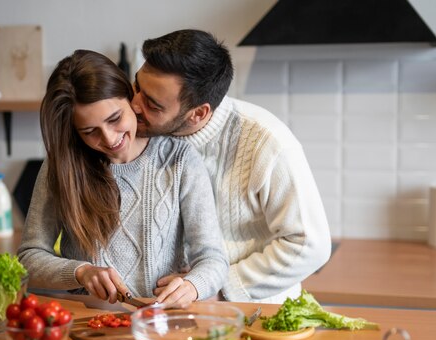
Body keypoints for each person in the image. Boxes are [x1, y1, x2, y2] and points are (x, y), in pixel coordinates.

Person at [131, 29, 331, 304]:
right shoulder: (140, 132)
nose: (134, 105)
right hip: (166, 311)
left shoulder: (266, 141)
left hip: (251, 314)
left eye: (152, 104)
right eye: (136, 86)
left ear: (198, 113)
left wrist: (216, 286)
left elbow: (309, 246)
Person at [17, 49, 228, 308]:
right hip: (90, 322)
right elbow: (29, 257)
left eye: (115, 118)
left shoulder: (180, 160)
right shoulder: (61, 166)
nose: (108, 138)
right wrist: (80, 272)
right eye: (89, 131)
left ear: (131, 98)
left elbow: (213, 259)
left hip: (159, 321)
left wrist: (193, 285)